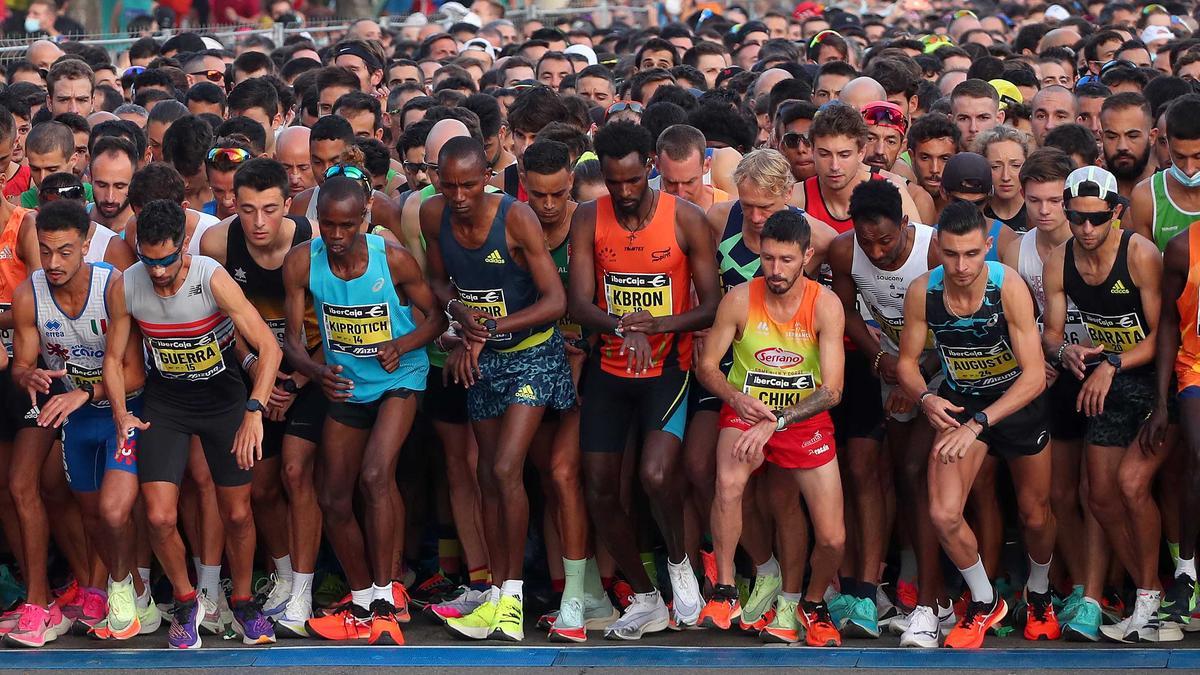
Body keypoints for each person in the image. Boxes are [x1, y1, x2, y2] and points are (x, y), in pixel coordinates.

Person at [103, 199, 282, 648]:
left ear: (184, 246)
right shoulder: (128, 287)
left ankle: (241, 602)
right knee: (160, 516)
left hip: (224, 401)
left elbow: (268, 348)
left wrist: (255, 412)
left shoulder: (210, 277)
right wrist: (122, 413)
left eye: (167, 260)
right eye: (149, 260)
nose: (159, 272)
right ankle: (187, 602)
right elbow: (112, 357)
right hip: (167, 403)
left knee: (238, 512)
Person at [567, 120, 719, 638]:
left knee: (656, 475)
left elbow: (713, 305)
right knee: (599, 488)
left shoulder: (688, 220)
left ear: (650, 169)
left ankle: (679, 566)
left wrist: (660, 324)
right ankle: (646, 595)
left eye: (634, 181)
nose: (625, 192)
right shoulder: (589, 217)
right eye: (615, 183)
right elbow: (578, 302)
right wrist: (619, 326)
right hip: (610, 369)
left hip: (667, 367)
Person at [421, 137, 575, 642]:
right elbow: (439, 284)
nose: (460, 195)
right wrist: (461, 316)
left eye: (469, 184)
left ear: (488, 176)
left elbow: (555, 300)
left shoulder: (516, 218)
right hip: (480, 358)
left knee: (509, 467)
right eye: (450, 185)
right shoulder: (432, 217)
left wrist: (493, 327)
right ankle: (492, 594)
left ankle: (511, 600)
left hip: (532, 352)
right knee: (487, 474)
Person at [283, 175, 444, 644]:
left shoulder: (391, 259)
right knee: (332, 496)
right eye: (327, 225)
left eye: (346, 226)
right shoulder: (302, 263)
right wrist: (315, 375)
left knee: (375, 475)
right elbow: (292, 342)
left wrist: (403, 343)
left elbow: (437, 317)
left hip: (400, 378)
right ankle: (362, 601)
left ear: (365, 217)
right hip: (347, 385)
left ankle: (385, 597)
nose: (336, 236)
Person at [897, 200, 1056, 649]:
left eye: (971, 254)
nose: (962, 265)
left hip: (1015, 402)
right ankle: (985, 602)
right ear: (938, 251)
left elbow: (1033, 374)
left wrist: (980, 424)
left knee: (1034, 513)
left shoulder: (1008, 287)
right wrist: (925, 397)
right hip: (961, 402)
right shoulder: (923, 292)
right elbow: (907, 364)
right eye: (951, 254)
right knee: (943, 514)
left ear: (987, 246)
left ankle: (1040, 591)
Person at [696, 208, 847, 647]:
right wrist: (735, 397)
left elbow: (833, 390)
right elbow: (707, 366)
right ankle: (725, 590)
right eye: (767, 259)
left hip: (804, 418)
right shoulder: (740, 298)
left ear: (807, 256)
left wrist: (778, 420)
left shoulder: (826, 304)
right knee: (727, 482)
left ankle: (811, 603)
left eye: (785, 260)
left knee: (833, 536)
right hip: (747, 409)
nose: (775, 270)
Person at [1042, 166, 1172, 643]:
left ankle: (1151, 593)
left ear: (1117, 212)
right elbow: (1052, 334)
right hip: (1106, 381)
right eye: (1077, 218)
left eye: (1097, 219)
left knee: (1131, 485)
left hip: (1152, 381)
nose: (1087, 229)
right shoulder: (1059, 259)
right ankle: (1134, 593)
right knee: (1096, 495)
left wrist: (1112, 362)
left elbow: (1163, 336)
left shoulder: (1139, 254)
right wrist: (1065, 351)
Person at [198, 157, 322, 637]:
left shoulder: (312, 237)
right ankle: (285, 575)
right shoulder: (218, 242)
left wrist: (300, 381)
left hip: (313, 369)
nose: (258, 222)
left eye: (269, 210)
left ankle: (305, 590)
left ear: (288, 203)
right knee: (263, 485)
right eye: (247, 210)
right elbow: (224, 316)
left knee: (297, 472)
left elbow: (336, 316)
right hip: (255, 374)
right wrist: (260, 376)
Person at [827, 178, 946, 646]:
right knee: (903, 475)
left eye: (886, 240)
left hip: (946, 366)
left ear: (905, 224)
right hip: (892, 369)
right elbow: (846, 311)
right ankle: (913, 590)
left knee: (921, 472)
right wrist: (881, 361)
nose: (876, 252)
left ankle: (935, 600)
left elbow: (965, 320)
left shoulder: (935, 251)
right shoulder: (843, 252)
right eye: (866, 240)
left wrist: (914, 375)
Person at [1000, 149, 1104, 642]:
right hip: (1046, 374)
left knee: (1096, 491)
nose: (1044, 210)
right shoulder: (1015, 249)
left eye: (1053, 200)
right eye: (1034, 199)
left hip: (1100, 369)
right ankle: (1069, 585)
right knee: (1059, 493)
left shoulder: (1096, 241)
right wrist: (1050, 357)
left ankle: (1097, 591)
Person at [519, 139, 617, 641]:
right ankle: (573, 592)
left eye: (558, 194)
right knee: (547, 479)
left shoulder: (589, 226)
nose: (549, 205)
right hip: (532, 370)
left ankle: (584, 596)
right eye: (539, 195)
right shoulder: (515, 225)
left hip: (589, 371)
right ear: (522, 182)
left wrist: (586, 348)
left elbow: (605, 304)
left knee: (563, 472)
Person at [1129, 94, 1200, 251]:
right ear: (1167, 143)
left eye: (1198, 156)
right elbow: (1146, 268)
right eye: (1179, 156)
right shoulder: (1145, 197)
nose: (1189, 169)